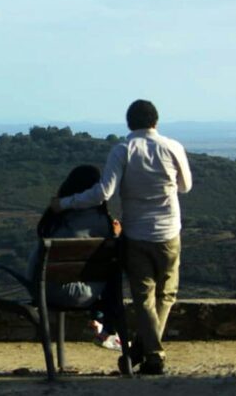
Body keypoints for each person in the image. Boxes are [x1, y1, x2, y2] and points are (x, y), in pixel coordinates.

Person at [50, 100, 192, 375]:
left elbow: (103, 192)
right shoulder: (173, 147)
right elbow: (185, 186)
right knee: (168, 293)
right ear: (156, 121)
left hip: (137, 233)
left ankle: (149, 351)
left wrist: (65, 203)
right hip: (170, 231)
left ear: (129, 123)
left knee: (144, 296)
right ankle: (148, 351)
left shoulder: (123, 150)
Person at [27, 164, 122, 349]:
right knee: (112, 269)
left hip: (47, 291)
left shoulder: (56, 217)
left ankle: (104, 324)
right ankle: (107, 326)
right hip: (89, 295)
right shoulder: (104, 223)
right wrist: (116, 236)